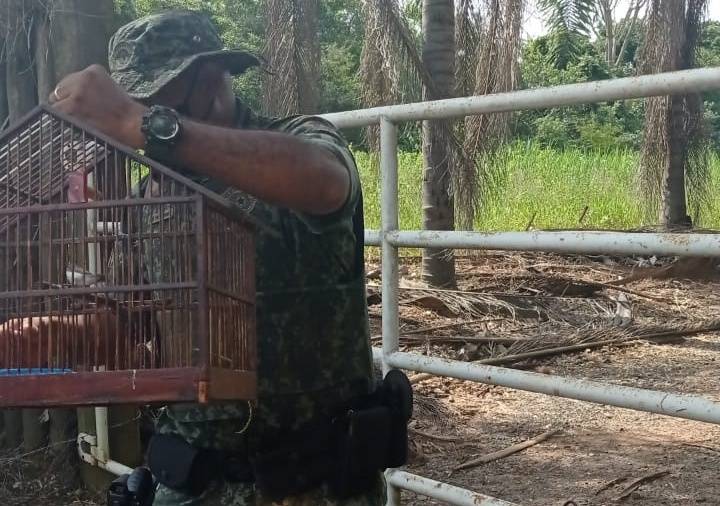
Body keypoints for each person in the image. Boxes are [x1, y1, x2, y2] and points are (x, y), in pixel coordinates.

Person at [5, 9, 399, 506]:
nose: (146, 113)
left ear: (215, 72)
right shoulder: (152, 196)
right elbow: (135, 327)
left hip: (311, 482)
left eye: (158, 97)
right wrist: (41, 336)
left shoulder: (299, 140)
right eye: (138, 101)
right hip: (194, 480)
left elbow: (323, 180)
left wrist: (141, 125)